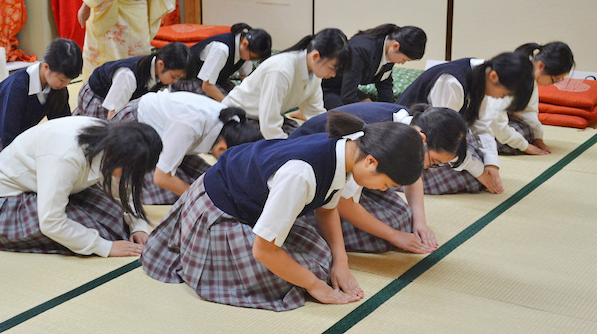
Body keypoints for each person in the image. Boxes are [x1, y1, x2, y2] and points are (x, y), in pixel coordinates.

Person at [141, 111, 425, 311]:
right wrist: (315, 286)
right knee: (285, 281)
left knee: (322, 257)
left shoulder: (347, 151)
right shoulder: (302, 174)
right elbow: (263, 251)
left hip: (252, 204)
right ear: (372, 162)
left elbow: (327, 209)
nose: (384, 190)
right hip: (219, 210)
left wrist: (341, 262)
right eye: (386, 183)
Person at [290, 102, 467, 253]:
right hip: (308, 179)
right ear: (423, 138)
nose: (429, 167)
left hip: (354, 177)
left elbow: (412, 177)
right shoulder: (382, 132)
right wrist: (394, 236)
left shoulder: (409, 128)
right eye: (434, 161)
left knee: (404, 217)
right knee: (391, 228)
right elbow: (342, 202)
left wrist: (421, 223)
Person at [0, 116, 162, 257]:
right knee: (102, 235)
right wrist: (106, 247)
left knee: (116, 223)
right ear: (120, 158)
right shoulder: (65, 155)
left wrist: (138, 227)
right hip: (12, 194)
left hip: (53, 184)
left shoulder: (115, 142)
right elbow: (51, 222)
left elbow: (124, 192)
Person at [397, 52, 535, 194]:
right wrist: (479, 172)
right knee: (469, 178)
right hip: (414, 140)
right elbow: (442, 136)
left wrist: (492, 164)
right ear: (494, 76)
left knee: (479, 165)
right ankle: (387, 178)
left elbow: (481, 124)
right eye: (504, 94)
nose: (501, 98)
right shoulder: (452, 82)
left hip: (442, 140)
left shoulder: (482, 76)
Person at [111, 89, 262, 204]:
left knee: (210, 180)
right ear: (222, 148)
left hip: (172, 133)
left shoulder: (233, 122)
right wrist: (202, 201)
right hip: (135, 126)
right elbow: (161, 178)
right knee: (170, 194)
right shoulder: (190, 124)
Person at [222, 28, 351, 139]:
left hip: (262, 117)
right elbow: (269, 125)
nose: (333, 75)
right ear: (315, 56)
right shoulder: (281, 70)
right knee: (290, 145)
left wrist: (334, 135)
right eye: (332, 68)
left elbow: (315, 112)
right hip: (238, 116)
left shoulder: (314, 73)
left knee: (303, 136)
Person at [489, 42, 575, 155]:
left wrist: (537, 138)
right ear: (541, 66)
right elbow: (494, 116)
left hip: (495, 114)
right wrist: (524, 146)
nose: (553, 84)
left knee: (529, 131)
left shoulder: (530, 75)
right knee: (512, 139)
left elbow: (529, 110)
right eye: (554, 79)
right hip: (474, 114)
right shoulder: (515, 74)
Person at [0, 38, 83, 151]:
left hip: (21, 138)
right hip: (3, 139)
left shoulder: (57, 87)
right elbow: (9, 136)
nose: (65, 85)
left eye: (69, 81)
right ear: (46, 67)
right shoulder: (17, 87)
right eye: (62, 80)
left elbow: (62, 124)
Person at [74, 42, 194, 119]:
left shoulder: (160, 75)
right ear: (161, 64)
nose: (175, 82)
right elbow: (113, 115)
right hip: (97, 98)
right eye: (174, 77)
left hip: (117, 99)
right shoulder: (128, 75)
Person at [322, 24, 427, 110]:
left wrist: (390, 109)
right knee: (361, 115)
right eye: (404, 60)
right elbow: (348, 96)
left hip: (345, 87)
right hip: (329, 88)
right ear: (395, 46)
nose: (402, 63)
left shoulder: (388, 51)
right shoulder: (361, 50)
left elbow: (384, 84)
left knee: (371, 105)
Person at [172, 23, 272, 101]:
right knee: (226, 107)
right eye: (252, 58)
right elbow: (207, 86)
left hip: (216, 81)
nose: (251, 60)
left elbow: (245, 78)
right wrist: (229, 104)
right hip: (189, 80)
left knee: (238, 99)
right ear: (245, 43)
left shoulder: (245, 49)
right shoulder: (221, 49)